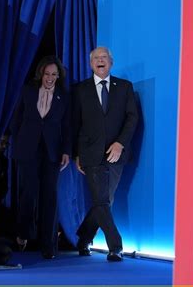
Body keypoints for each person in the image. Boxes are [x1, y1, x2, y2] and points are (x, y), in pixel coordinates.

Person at [72, 47, 138, 261]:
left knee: (103, 201)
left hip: (116, 154)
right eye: (96, 59)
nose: (100, 61)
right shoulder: (80, 89)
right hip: (91, 154)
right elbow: (76, 124)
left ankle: (84, 237)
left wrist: (120, 143)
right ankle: (115, 246)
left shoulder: (125, 87)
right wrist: (77, 154)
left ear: (111, 62)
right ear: (90, 64)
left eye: (104, 58)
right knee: (101, 201)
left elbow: (132, 118)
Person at [10, 55, 71, 259]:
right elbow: (16, 120)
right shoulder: (27, 91)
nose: (50, 78)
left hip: (52, 152)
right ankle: (22, 235)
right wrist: (16, 145)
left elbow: (68, 127)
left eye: (54, 74)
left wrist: (66, 151)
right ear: (41, 74)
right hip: (28, 149)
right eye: (47, 74)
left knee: (49, 197)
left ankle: (49, 245)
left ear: (58, 76)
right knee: (28, 193)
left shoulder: (64, 96)